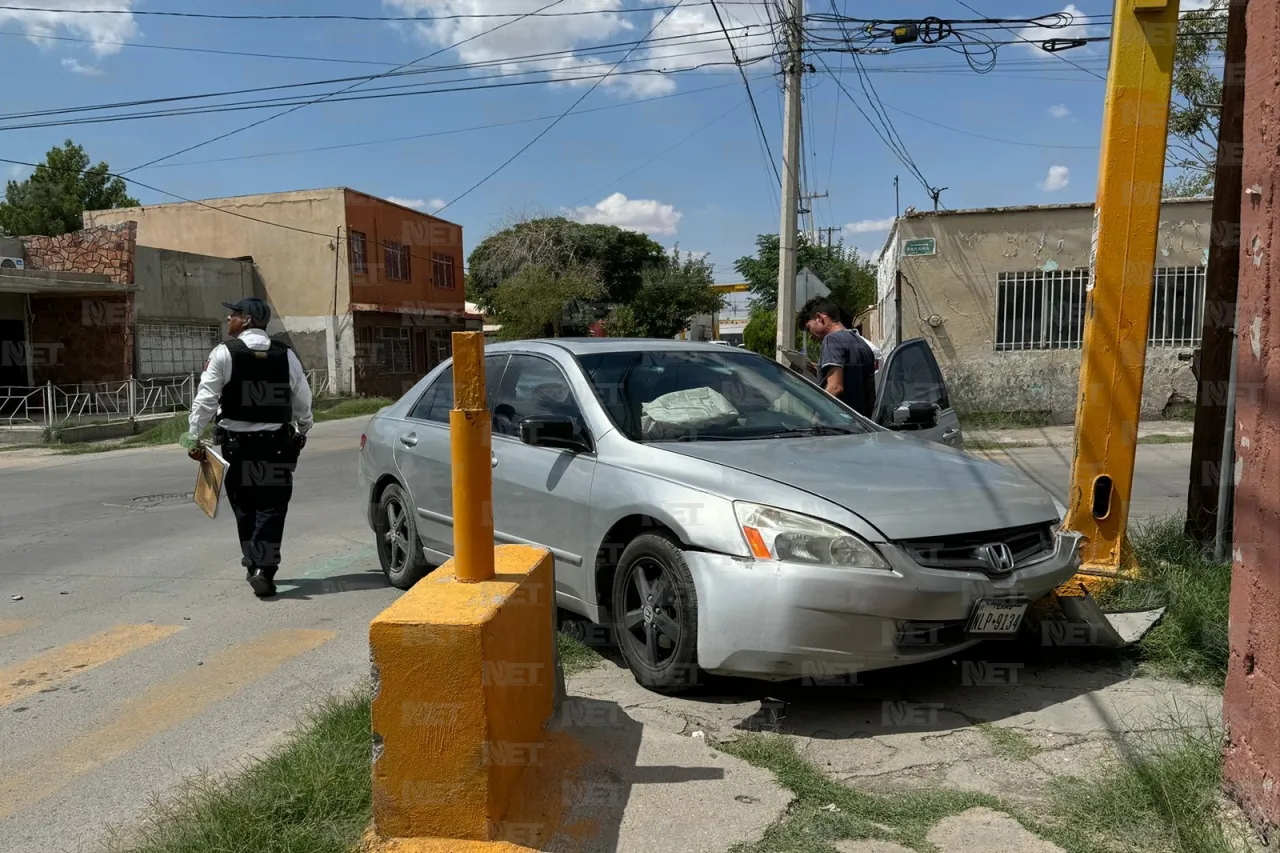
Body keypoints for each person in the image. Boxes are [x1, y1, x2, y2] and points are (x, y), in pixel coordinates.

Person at [181, 298, 313, 598]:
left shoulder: (224, 354)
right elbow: (302, 400)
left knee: (245, 507)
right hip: (277, 446)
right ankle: (263, 568)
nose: (229, 317)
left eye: (235, 314)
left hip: (237, 447)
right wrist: (304, 428)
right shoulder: (286, 355)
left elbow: (206, 399)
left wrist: (193, 436)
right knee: (272, 507)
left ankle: (255, 564)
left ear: (248, 320)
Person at [801, 296, 877, 418]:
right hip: (863, 423)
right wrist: (821, 371)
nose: (810, 335)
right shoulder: (861, 343)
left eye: (809, 328)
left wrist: (814, 416)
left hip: (841, 424)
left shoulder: (831, 340)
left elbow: (835, 387)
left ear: (819, 317)